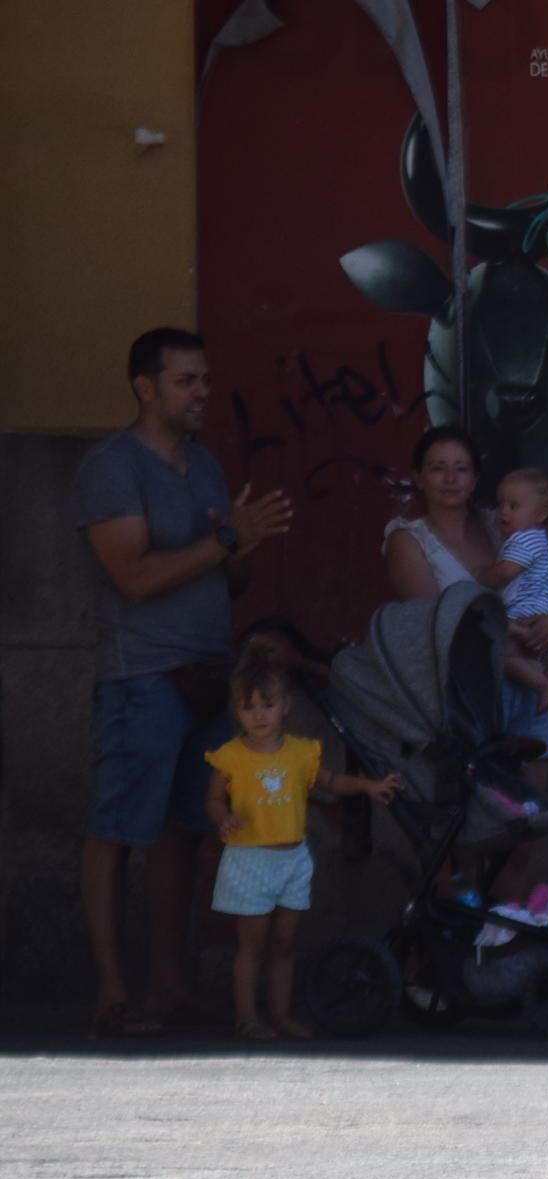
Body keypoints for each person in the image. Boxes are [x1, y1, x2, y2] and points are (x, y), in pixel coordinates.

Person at [73, 327, 293, 1037]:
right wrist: (225, 538)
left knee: (186, 833)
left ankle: (168, 988)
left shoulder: (204, 466)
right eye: (186, 381)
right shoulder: (112, 466)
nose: (203, 393)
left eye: (204, 379)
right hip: (144, 673)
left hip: (209, 670)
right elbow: (132, 576)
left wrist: (244, 543)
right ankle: (113, 993)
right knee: (116, 831)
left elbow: (232, 576)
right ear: (146, 387)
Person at [201, 637, 402, 1040]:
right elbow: (214, 799)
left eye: (267, 705)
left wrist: (366, 786)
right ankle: (247, 1017)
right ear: (236, 709)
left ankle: (280, 1015)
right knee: (252, 944)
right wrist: (223, 819)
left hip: (292, 858)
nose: (258, 715)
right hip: (249, 859)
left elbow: (329, 781)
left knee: (285, 942)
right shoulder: (230, 756)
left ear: (286, 706)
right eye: (248, 706)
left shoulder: (299, 753)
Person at [383, 427, 548, 758]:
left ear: (474, 480)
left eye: (461, 469)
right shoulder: (407, 539)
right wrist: (505, 627)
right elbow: (433, 618)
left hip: (529, 680)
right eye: (437, 468)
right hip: (465, 694)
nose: (450, 478)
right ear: (419, 477)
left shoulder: (503, 524)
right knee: (482, 799)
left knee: (532, 804)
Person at [479, 467, 548, 748]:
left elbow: (505, 573)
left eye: (513, 506)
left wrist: (482, 578)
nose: (504, 512)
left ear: (540, 515)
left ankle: (542, 687)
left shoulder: (523, 539)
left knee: (507, 659)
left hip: (525, 619)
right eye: (501, 504)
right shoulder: (542, 543)